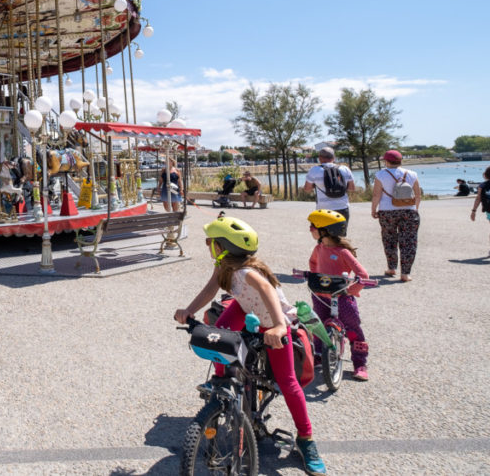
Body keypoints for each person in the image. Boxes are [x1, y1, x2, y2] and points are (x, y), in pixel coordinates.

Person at [174, 216, 326, 475]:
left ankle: (306, 439)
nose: (208, 244)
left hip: (273, 317)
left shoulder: (246, 271)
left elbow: (267, 290)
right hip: (244, 308)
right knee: (218, 338)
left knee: (287, 381)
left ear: (222, 247)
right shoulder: (224, 267)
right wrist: (189, 310)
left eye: (211, 242)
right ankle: (222, 384)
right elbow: (211, 290)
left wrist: (279, 326)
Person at [307, 210, 370, 381]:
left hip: (341, 296)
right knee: (318, 325)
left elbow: (362, 274)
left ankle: (359, 363)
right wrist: (315, 277)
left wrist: (353, 289)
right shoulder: (318, 248)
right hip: (320, 295)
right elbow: (313, 262)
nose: (310, 229)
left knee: (353, 328)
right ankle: (319, 354)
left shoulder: (343, 252)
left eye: (313, 227)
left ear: (325, 230)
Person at [371, 150, 422, 281]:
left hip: (387, 211)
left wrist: (373, 209)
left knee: (389, 239)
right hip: (409, 211)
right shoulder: (412, 174)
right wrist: (414, 209)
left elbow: (376, 194)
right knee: (409, 241)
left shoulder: (380, 174)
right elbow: (417, 194)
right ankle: (405, 273)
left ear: (386, 161)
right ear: (400, 160)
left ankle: (392, 268)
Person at [303, 147, 356, 234]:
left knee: (323, 238)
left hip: (323, 209)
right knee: (340, 237)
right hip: (342, 207)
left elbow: (307, 189)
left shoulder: (314, 170)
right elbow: (352, 188)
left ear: (320, 158)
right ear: (333, 158)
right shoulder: (345, 169)